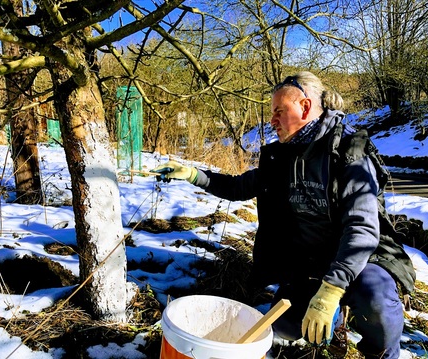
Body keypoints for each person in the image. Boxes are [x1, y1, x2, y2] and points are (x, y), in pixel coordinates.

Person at [153, 71, 407, 358]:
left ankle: (383, 353)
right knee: (284, 327)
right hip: (308, 264)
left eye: (279, 111)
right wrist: (193, 174)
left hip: (361, 261)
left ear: (306, 107)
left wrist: (331, 290)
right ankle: (333, 327)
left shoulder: (349, 152)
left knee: (376, 298)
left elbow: (362, 230)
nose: (272, 120)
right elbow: (239, 187)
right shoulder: (281, 156)